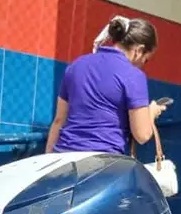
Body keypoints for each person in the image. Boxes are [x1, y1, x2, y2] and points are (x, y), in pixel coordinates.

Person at [45, 16, 167, 155]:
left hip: (63, 153)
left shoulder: (76, 65)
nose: (143, 65)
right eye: (146, 60)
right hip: (102, 160)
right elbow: (142, 135)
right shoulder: (133, 75)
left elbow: (59, 120)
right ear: (139, 50)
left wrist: (49, 157)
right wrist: (151, 113)